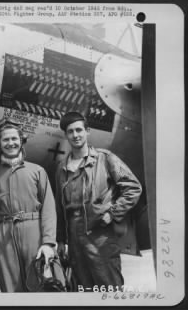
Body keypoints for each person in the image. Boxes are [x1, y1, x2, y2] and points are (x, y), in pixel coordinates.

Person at [54, 112, 142, 291]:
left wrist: (113, 213)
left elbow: (133, 187)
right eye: (70, 131)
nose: (75, 135)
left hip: (101, 236)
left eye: (79, 130)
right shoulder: (61, 169)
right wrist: (61, 240)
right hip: (74, 241)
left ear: (87, 131)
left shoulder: (105, 158)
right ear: (66, 135)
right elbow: (60, 207)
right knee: (82, 292)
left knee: (110, 291)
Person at [0, 118, 57, 292]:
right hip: (5, 235)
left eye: (14, 139)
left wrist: (48, 242)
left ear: (21, 140)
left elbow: (49, 209)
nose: (11, 143)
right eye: (6, 139)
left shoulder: (37, 171)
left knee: (40, 285)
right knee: (11, 288)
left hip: (34, 233)